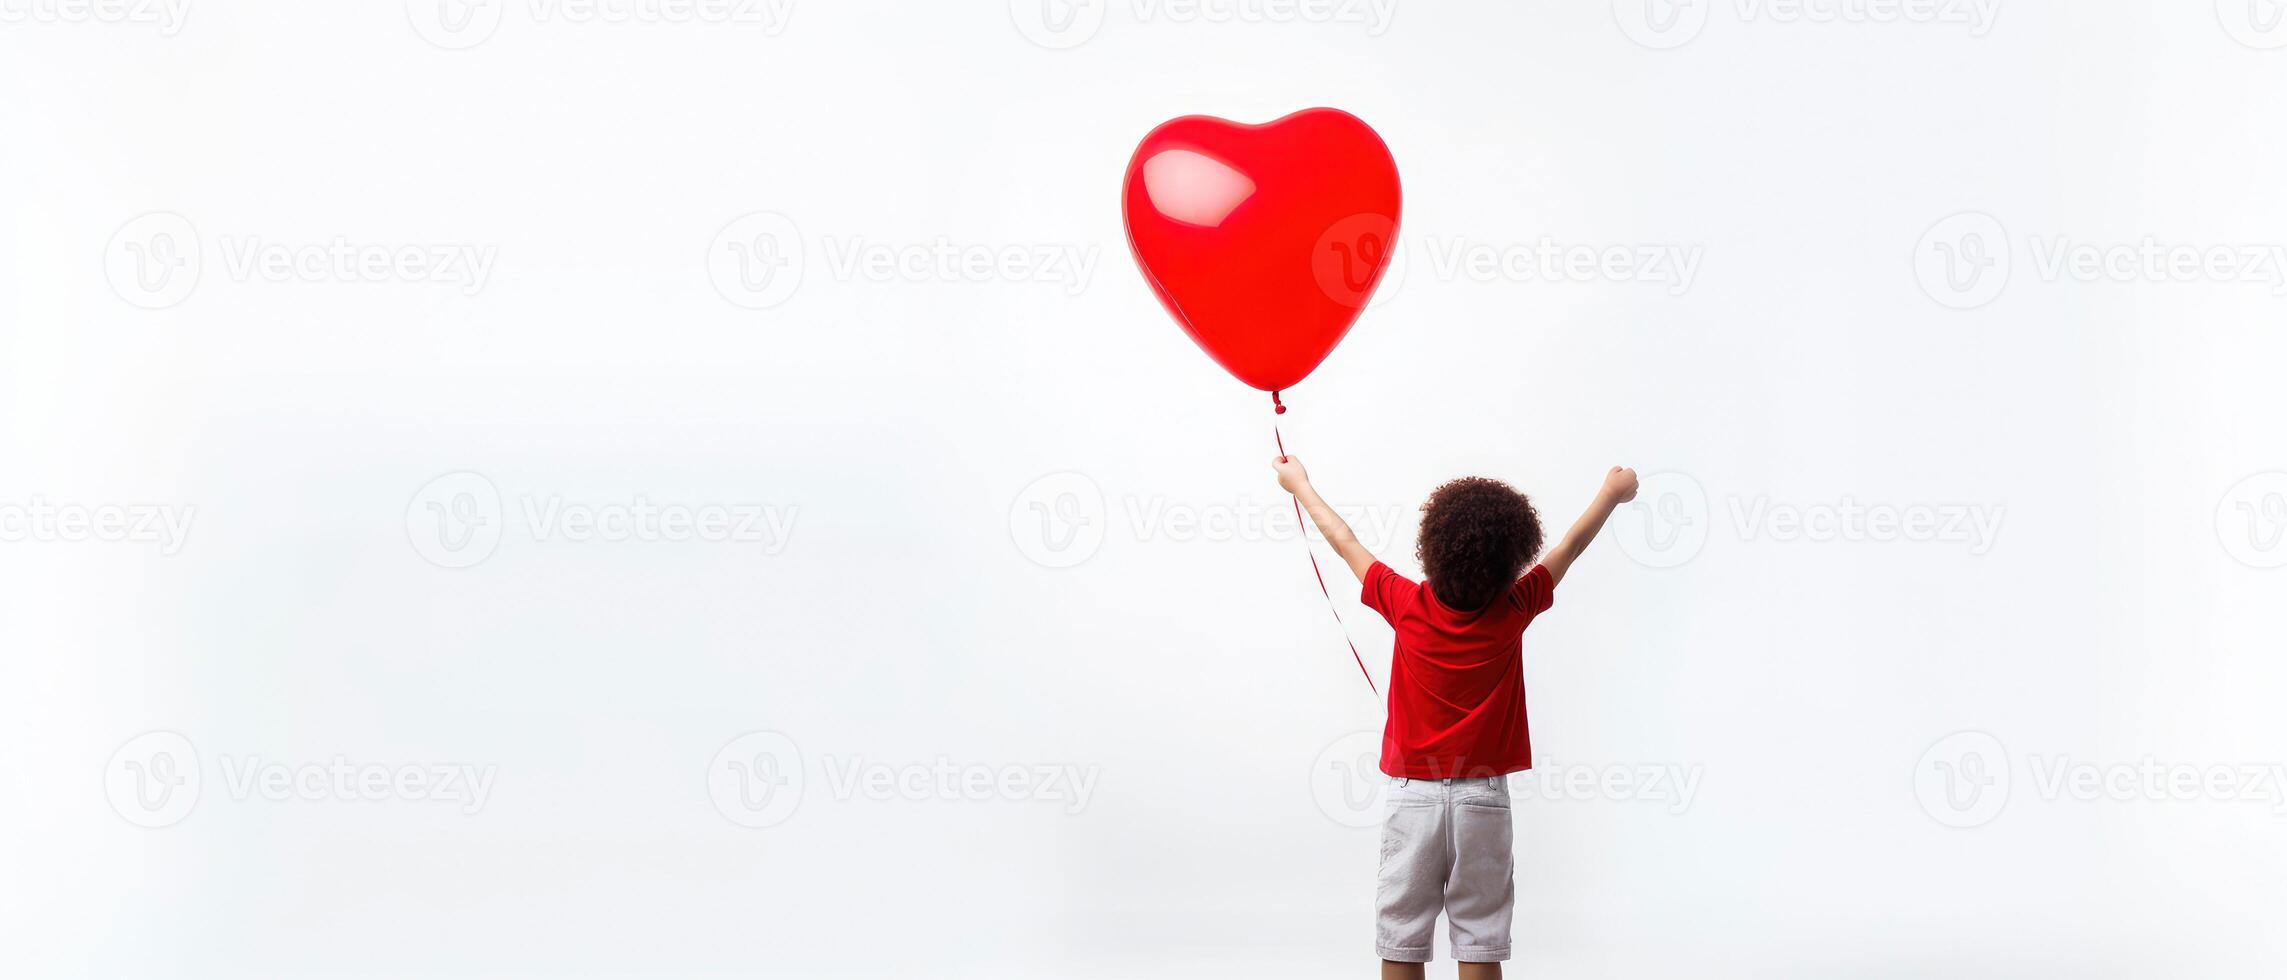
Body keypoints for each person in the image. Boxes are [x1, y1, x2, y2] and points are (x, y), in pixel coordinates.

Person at [1272, 456, 1640, 979]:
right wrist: (1610, 493)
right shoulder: (1516, 605)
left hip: (1413, 795)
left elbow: (1345, 540)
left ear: (1433, 549)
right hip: (1483, 797)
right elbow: (1571, 547)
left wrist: (1300, 485)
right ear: (1513, 561)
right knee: (1480, 934)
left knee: (1401, 936)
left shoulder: (1403, 601)